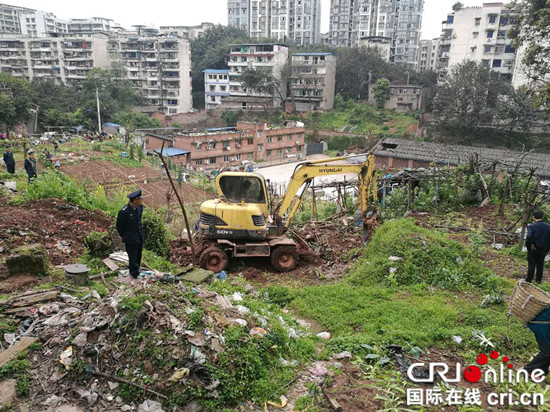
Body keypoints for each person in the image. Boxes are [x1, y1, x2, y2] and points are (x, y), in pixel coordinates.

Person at [116, 189, 145, 279]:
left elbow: (138, 221)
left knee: (138, 255)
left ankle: (137, 270)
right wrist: (125, 236)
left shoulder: (140, 207)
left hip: (139, 236)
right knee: (132, 257)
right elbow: (119, 226)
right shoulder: (124, 212)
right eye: (140, 198)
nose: (142, 200)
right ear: (135, 199)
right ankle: (134, 274)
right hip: (130, 238)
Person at [525, 210, 550, 284]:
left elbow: (529, 236)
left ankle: (529, 280)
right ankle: (538, 280)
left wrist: (531, 244)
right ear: (542, 217)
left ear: (533, 217)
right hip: (543, 249)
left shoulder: (531, 226)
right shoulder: (548, 227)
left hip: (533, 249)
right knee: (540, 265)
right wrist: (547, 249)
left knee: (531, 265)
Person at [524, 307, 550, 375]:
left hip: (546, 326)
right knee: (547, 351)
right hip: (541, 327)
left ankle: (542, 369)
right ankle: (529, 370)